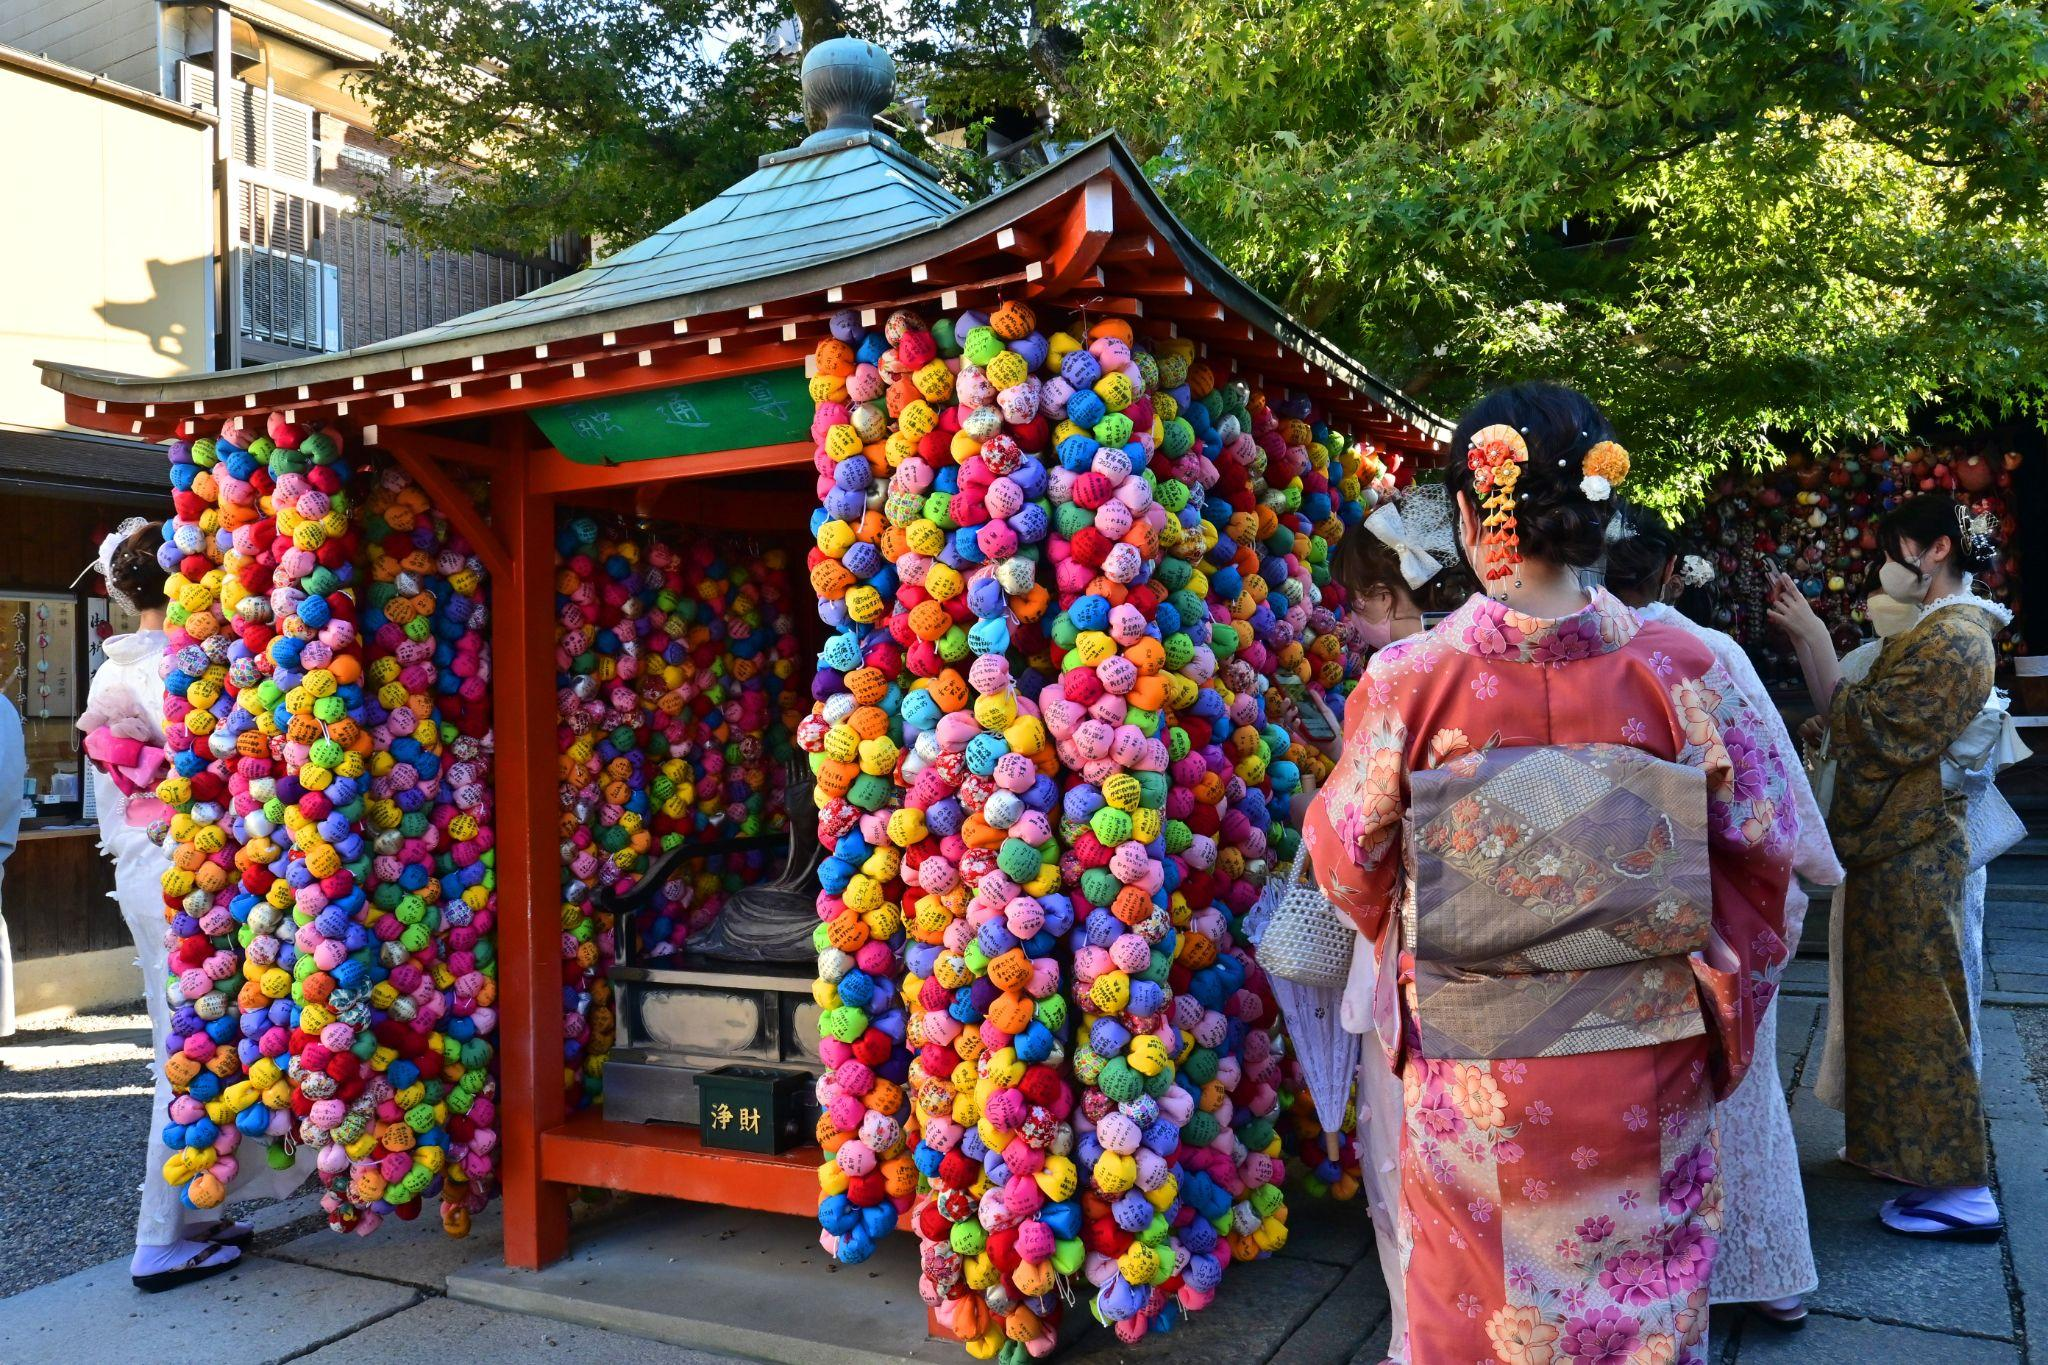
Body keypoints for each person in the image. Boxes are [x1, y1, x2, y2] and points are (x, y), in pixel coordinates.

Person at [1304, 382, 1793, 1365]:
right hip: (1639, 1066)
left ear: (1461, 511)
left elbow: (1347, 860)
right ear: (1598, 509)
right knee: (1639, 1314)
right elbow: (1761, 858)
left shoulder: (1408, 679)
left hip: (1472, 1072)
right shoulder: (1680, 667)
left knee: (1478, 1316)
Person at [1606, 512, 1838, 1328]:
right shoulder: (1707, 651)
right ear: (1671, 571)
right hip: (1719, 899)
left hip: (1615, 901)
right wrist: (1811, 865)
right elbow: (1769, 801)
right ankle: (1770, 1271)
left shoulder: (1582, 651)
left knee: (1640, 1095)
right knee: (1742, 1086)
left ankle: (1652, 1280)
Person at [1769, 495, 2013, 1240]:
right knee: (1887, 1005)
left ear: (1934, 549)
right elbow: (1865, 721)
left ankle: (1962, 1183)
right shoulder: (1944, 630)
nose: (1889, 562)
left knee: (1924, 1011)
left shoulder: (1960, 637)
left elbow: (1879, 733)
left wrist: (1813, 639)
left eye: (1900, 545)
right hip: (1897, 845)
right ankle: (1901, 1153)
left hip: (1916, 848)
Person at [76, 521, 307, 1290]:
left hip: (146, 870)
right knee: (197, 1044)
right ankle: (161, 1233)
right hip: (201, 870)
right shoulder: (194, 664)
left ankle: (201, 1208)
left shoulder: (113, 673)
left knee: (188, 1038)